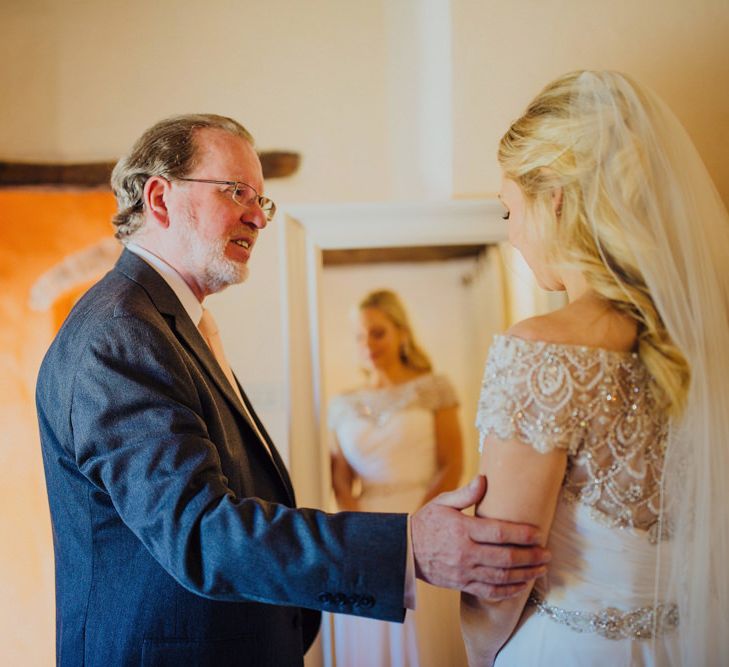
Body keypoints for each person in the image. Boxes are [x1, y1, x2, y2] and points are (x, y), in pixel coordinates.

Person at [35, 114, 551, 666]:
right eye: (236, 191)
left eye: (262, 200)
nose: (258, 217)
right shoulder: (120, 334)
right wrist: (409, 547)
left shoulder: (166, 325)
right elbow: (203, 533)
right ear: (159, 199)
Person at [459, 70, 729, 666]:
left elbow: (499, 581)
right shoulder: (707, 339)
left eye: (510, 212)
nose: (513, 237)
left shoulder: (541, 351)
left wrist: (478, 654)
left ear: (554, 198)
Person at [329, 289, 467, 666]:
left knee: (421, 635)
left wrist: (420, 522)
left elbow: (451, 462)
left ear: (400, 333)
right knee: (373, 636)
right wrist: (358, 526)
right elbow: (341, 478)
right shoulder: (342, 404)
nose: (367, 344)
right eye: (359, 336)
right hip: (365, 524)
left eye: (377, 332)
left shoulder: (433, 388)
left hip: (423, 517)